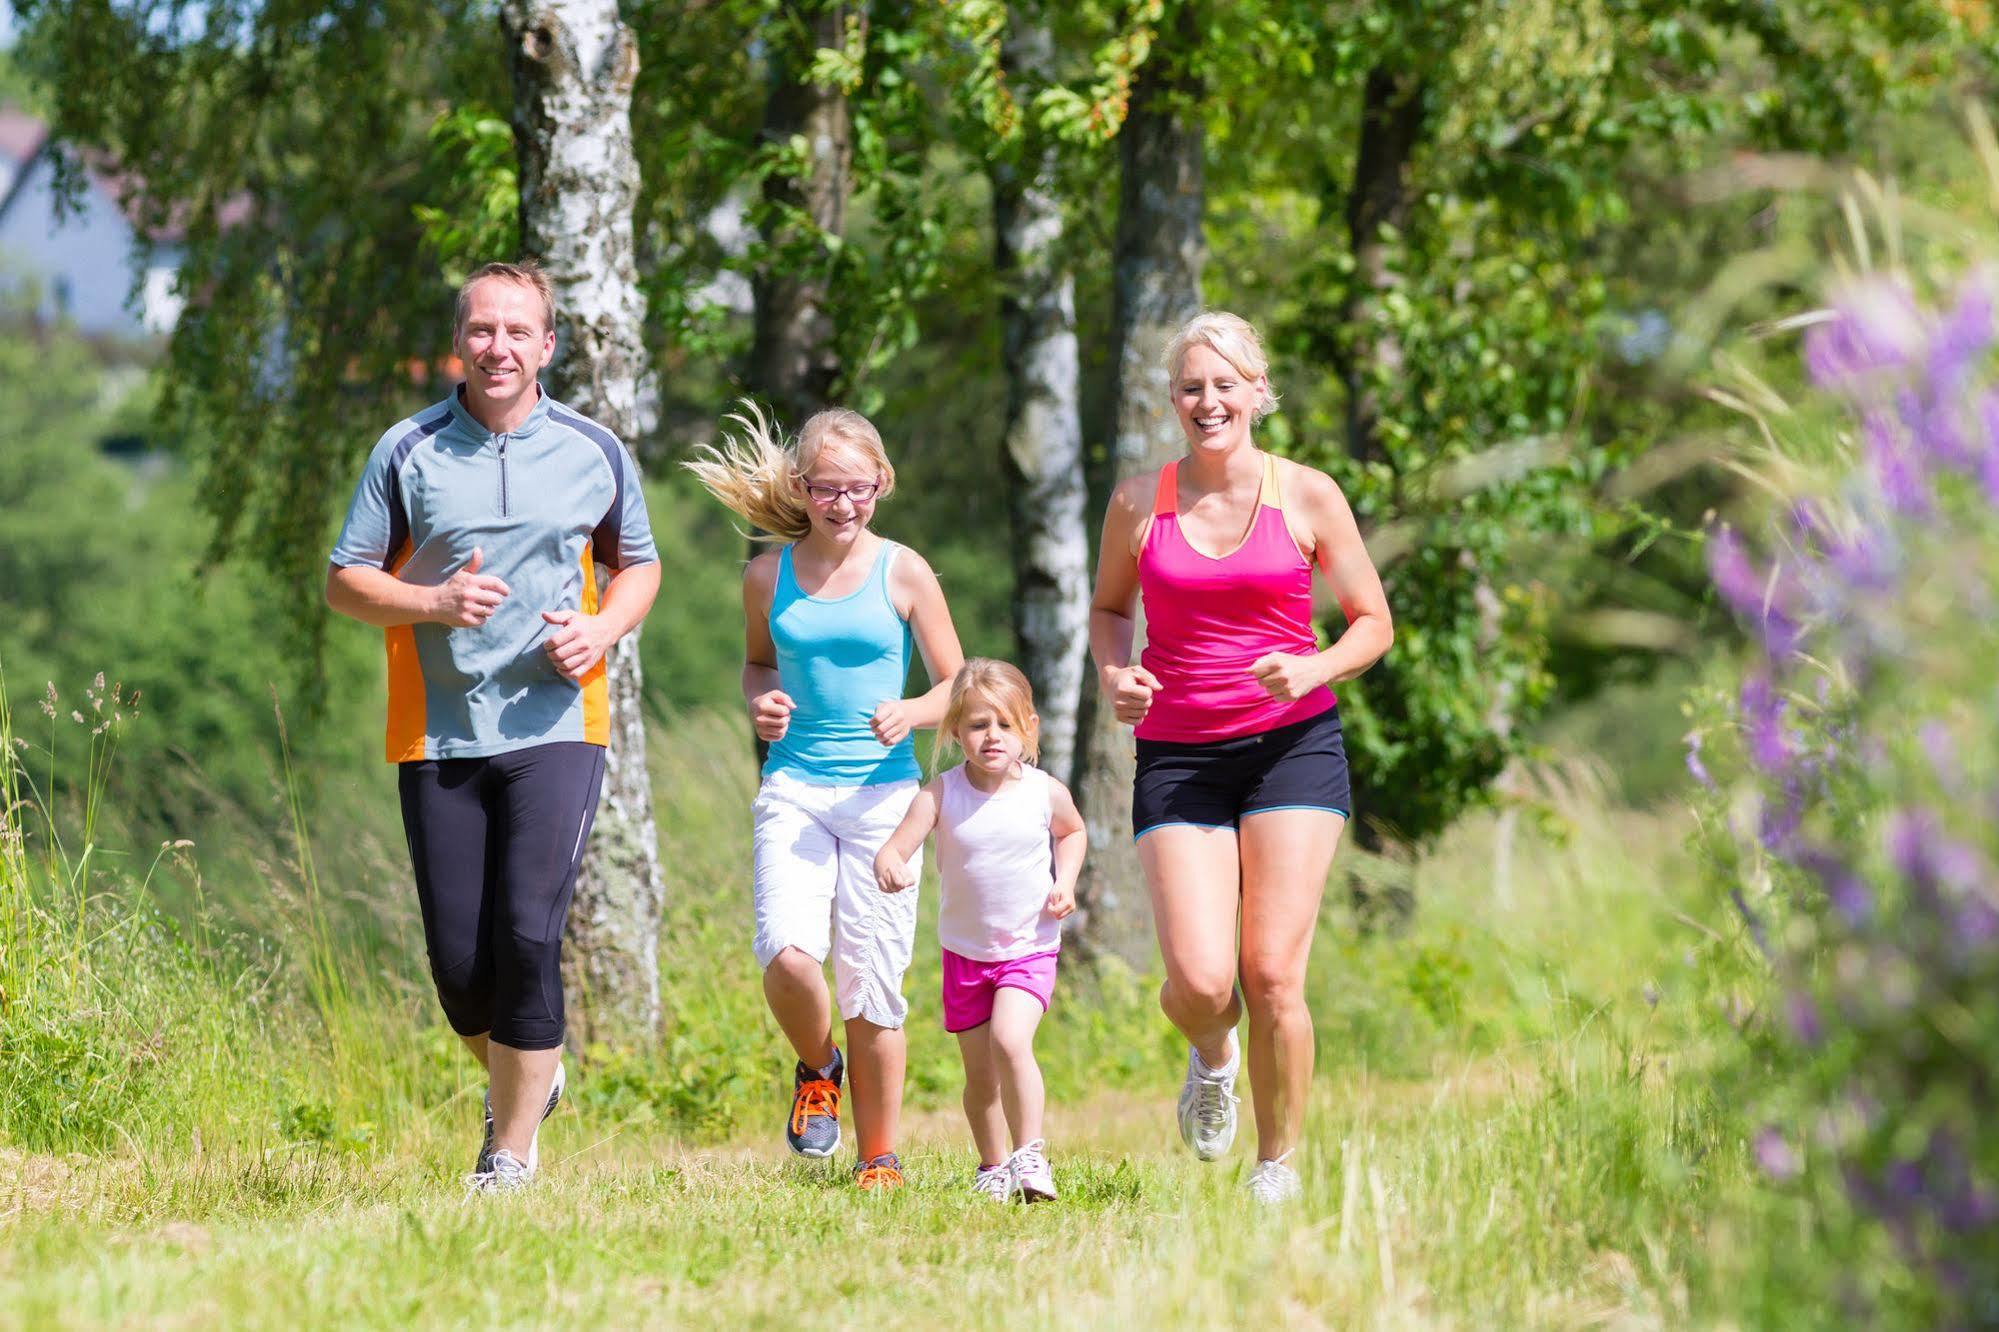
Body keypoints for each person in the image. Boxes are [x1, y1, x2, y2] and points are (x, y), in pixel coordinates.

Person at [326, 260, 661, 1192]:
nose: (499, 347)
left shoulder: (593, 448)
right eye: (483, 330)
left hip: (558, 725)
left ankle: (507, 1155)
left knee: (527, 933)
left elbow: (638, 565)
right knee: (461, 968)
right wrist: (433, 601)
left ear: (547, 345)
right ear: (459, 342)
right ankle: (531, 1076)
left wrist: (600, 629)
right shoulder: (408, 449)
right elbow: (345, 579)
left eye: (518, 331)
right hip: (438, 731)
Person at [1087, 311, 1393, 1204]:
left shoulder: (1305, 494)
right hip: (1178, 753)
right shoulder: (1138, 502)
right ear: (1172, 401)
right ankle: (1211, 1054)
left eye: (1225, 384)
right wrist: (1118, 674)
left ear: (1258, 392)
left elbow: (1371, 622)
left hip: (1292, 748)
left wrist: (1311, 667)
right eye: (1191, 387)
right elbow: (1109, 611)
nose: (1207, 401)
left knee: (1270, 973)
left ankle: (1277, 1166)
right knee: (1198, 981)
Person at [685, 403, 965, 1191]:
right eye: (825, 489)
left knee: (873, 985)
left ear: (882, 483)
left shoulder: (903, 571)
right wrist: (760, 699)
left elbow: (958, 683)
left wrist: (911, 711)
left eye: (858, 487)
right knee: (786, 956)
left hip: (884, 798)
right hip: (796, 788)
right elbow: (756, 665)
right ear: (801, 489)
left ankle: (879, 1157)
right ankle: (818, 1068)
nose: (843, 504)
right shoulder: (765, 575)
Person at [873, 659, 1086, 1203]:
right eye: (976, 725)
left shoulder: (1044, 792)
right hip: (965, 954)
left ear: (1028, 729)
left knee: (1010, 1040)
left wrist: (1066, 881)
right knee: (980, 1075)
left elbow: (1073, 831)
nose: (992, 737)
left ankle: (1030, 1156)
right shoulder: (941, 794)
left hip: (1028, 948)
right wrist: (891, 864)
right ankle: (992, 1167)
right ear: (954, 732)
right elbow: (896, 848)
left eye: (1005, 725)